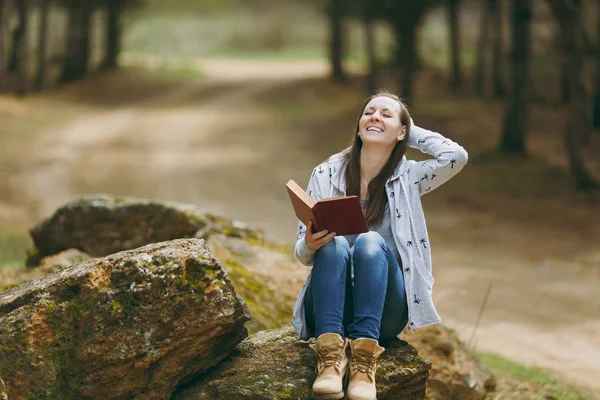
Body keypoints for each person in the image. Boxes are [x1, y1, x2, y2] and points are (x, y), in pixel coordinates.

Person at [290, 90, 468, 400]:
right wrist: (309, 242)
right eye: (369, 112)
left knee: (370, 242)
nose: (374, 117)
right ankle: (330, 360)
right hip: (331, 307)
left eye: (386, 115)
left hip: (384, 310)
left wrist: (408, 131)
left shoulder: (410, 177)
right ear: (358, 125)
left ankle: (363, 364)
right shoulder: (325, 173)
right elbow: (302, 255)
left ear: (403, 132)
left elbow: (456, 157)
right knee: (333, 246)